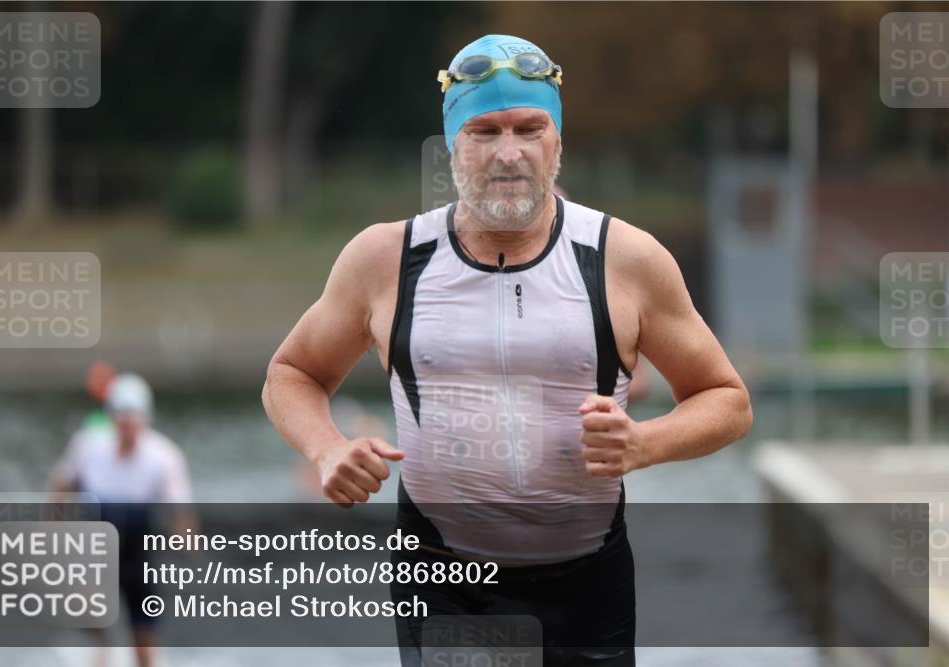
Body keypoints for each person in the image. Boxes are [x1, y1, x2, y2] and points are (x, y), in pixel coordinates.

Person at [262, 34, 752, 666]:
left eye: (529, 127)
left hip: (586, 584)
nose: (508, 152)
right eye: (484, 131)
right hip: (443, 579)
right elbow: (292, 372)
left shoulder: (624, 259)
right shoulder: (384, 259)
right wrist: (326, 449)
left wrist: (645, 444)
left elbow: (728, 401)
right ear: (452, 148)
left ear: (558, 144)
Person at [51, 372, 194, 667]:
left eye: (134, 417)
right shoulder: (89, 445)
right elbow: (61, 486)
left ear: (145, 418)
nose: (127, 424)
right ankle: (102, 648)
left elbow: (180, 509)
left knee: (144, 630)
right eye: (121, 416)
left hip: (138, 546)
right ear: (112, 416)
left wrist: (185, 538)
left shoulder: (164, 455)